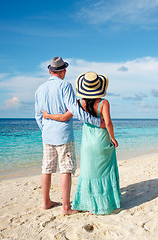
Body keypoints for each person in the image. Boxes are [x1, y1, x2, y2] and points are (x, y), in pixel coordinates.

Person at [42, 71, 121, 215]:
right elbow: (108, 122)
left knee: (88, 171)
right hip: (101, 139)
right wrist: (113, 137)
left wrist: (47, 116)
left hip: (87, 142)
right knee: (103, 170)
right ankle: (103, 204)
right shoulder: (104, 103)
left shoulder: (80, 103)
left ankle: (89, 204)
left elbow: (64, 117)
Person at [35, 57, 104, 215]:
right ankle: (66, 207)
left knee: (46, 169)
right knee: (65, 169)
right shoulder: (65, 86)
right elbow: (75, 110)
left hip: (47, 135)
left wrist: (45, 130)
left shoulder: (40, 89)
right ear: (63, 71)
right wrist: (95, 121)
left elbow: (38, 116)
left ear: (49, 71)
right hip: (63, 134)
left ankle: (46, 202)